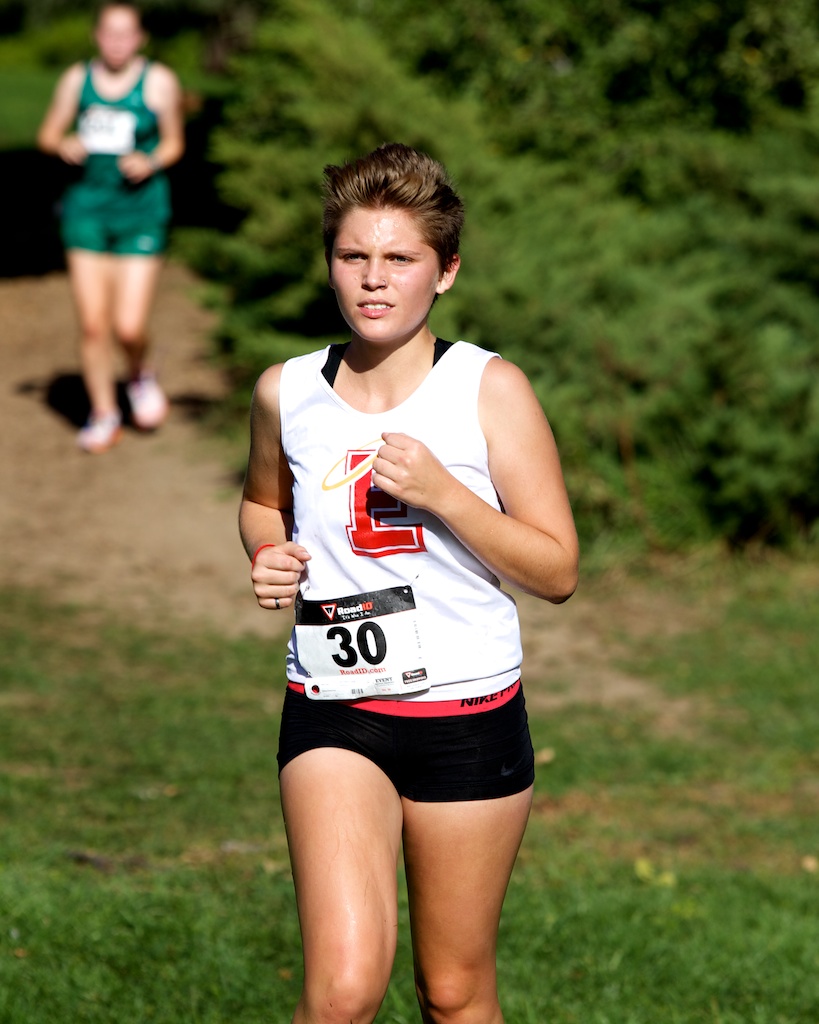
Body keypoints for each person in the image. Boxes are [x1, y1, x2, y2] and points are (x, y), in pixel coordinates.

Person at [240, 142, 579, 1024]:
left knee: (453, 993)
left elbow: (556, 570)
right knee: (342, 992)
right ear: (329, 263)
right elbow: (261, 503)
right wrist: (266, 551)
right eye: (353, 255)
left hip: (466, 717)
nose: (373, 279)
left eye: (400, 258)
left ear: (446, 271)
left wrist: (446, 496)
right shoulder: (286, 391)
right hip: (332, 707)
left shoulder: (488, 388)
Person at [37, 3, 184, 453]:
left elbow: (175, 142)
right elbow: (47, 135)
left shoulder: (159, 81)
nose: (117, 42)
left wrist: (151, 159)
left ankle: (138, 374)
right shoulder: (75, 80)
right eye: (109, 33)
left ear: (140, 38)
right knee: (93, 326)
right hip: (86, 212)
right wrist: (63, 143)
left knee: (128, 327)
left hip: (141, 214)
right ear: (96, 36)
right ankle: (104, 414)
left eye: (126, 34)